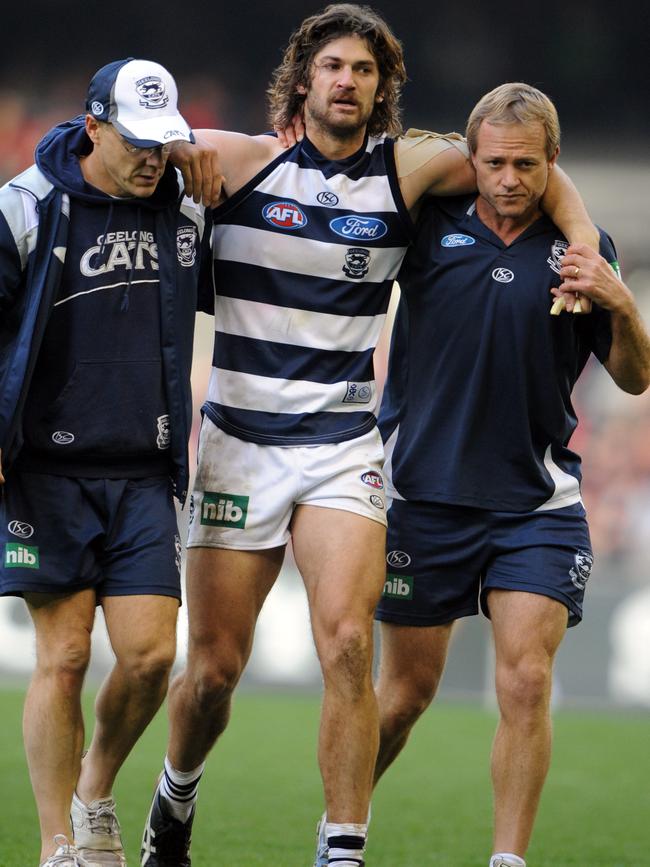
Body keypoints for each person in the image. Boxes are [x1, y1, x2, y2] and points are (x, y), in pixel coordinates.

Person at [141, 8, 598, 866]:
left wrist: (582, 247)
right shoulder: (243, 158)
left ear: (383, 88)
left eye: (364, 69)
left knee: (349, 642)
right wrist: (175, 151)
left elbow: (532, 166)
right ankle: (176, 794)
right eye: (333, 65)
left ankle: (341, 848)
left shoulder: (409, 171)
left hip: (344, 444)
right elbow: (116, 140)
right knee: (210, 673)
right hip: (238, 441)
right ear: (303, 78)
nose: (347, 79)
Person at [372, 82, 650, 867]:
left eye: (527, 164)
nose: (508, 179)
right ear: (472, 156)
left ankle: (507, 860)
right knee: (401, 700)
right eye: (493, 162)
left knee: (527, 682)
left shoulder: (583, 250)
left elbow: (636, 379)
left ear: (551, 162)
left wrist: (620, 304)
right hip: (423, 497)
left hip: (536, 502)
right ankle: (340, 835)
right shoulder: (428, 225)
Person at [0, 58, 216, 867]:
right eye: (137, 141)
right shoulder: (24, 205)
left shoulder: (187, 211)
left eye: (166, 143)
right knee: (62, 655)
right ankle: (60, 842)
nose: (153, 157)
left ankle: (96, 787)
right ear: (93, 127)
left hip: (142, 468)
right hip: (44, 469)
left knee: (153, 657)